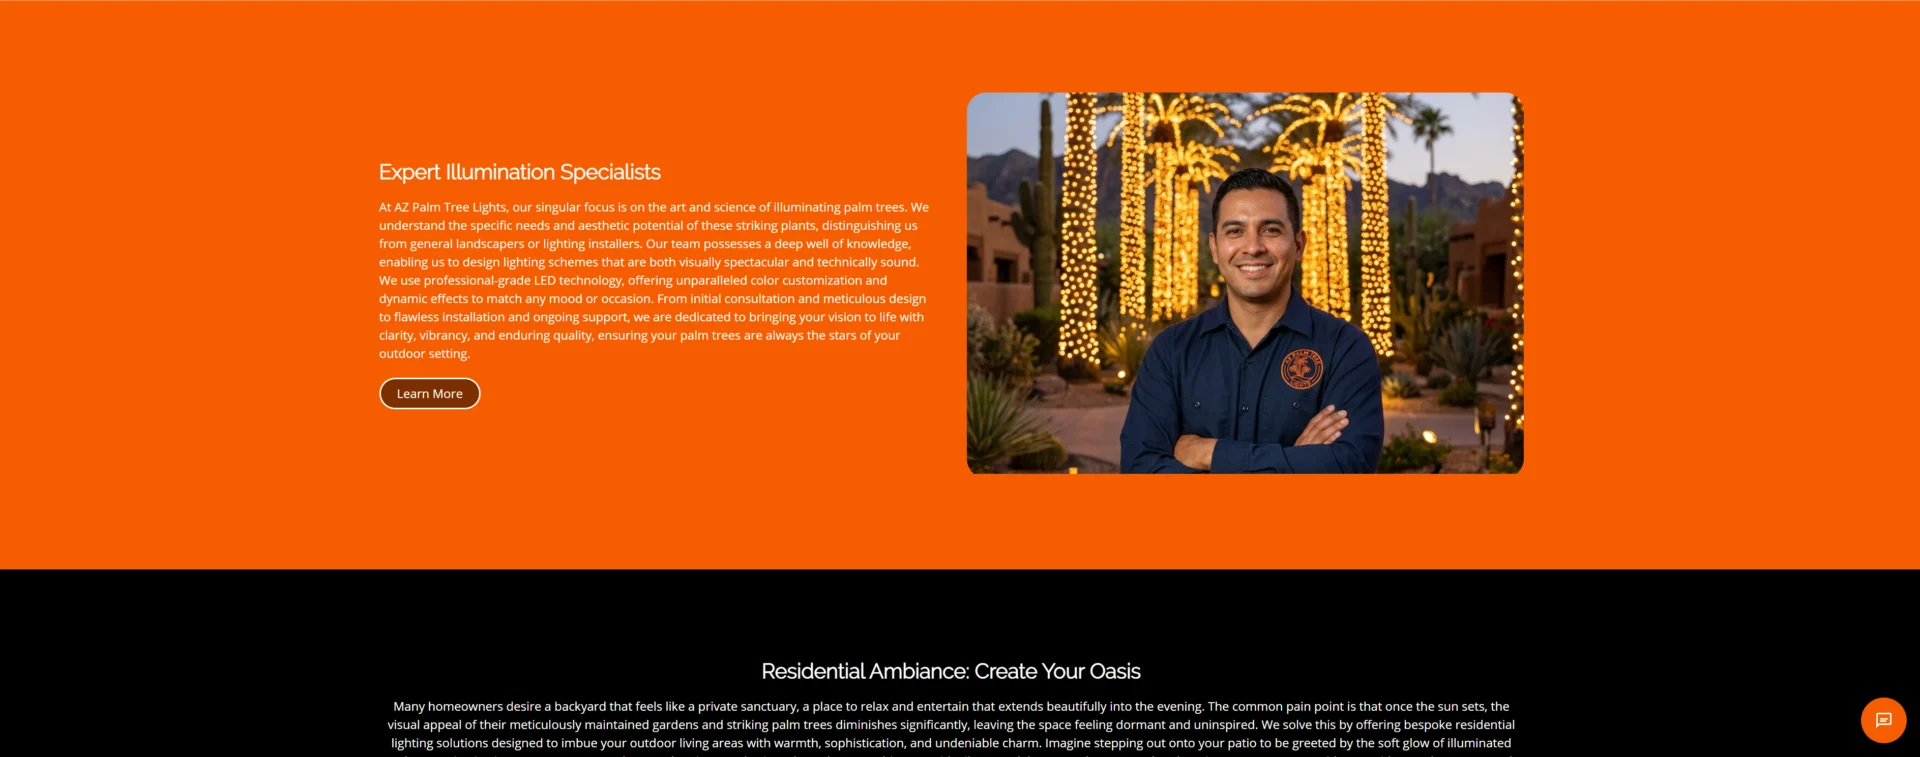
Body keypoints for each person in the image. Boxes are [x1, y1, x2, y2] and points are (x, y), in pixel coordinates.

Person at [1120, 169, 1384, 473]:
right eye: (1235, 231)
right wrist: (1295, 464)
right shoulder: (1172, 351)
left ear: (1298, 245)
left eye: (1270, 230)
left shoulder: (1345, 349)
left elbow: (1349, 467)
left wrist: (1210, 453)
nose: (1253, 247)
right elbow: (1140, 471)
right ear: (1215, 248)